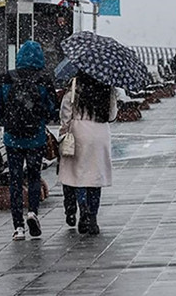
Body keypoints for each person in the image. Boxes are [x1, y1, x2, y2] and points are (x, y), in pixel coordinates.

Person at [0, 40, 59, 240]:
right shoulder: (43, 79)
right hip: (35, 138)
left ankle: (18, 227)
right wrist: (39, 118)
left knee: (15, 179)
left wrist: (7, 120)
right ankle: (33, 213)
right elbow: (51, 108)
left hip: (12, 138)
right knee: (33, 176)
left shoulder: (7, 77)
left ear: (19, 56)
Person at [58, 71, 117, 235]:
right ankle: (93, 217)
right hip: (100, 133)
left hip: (79, 132)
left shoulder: (75, 86)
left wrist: (64, 132)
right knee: (95, 176)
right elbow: (112, 115)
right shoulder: (107, 88)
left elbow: (65, 114)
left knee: (79, 175)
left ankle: (82, 205)